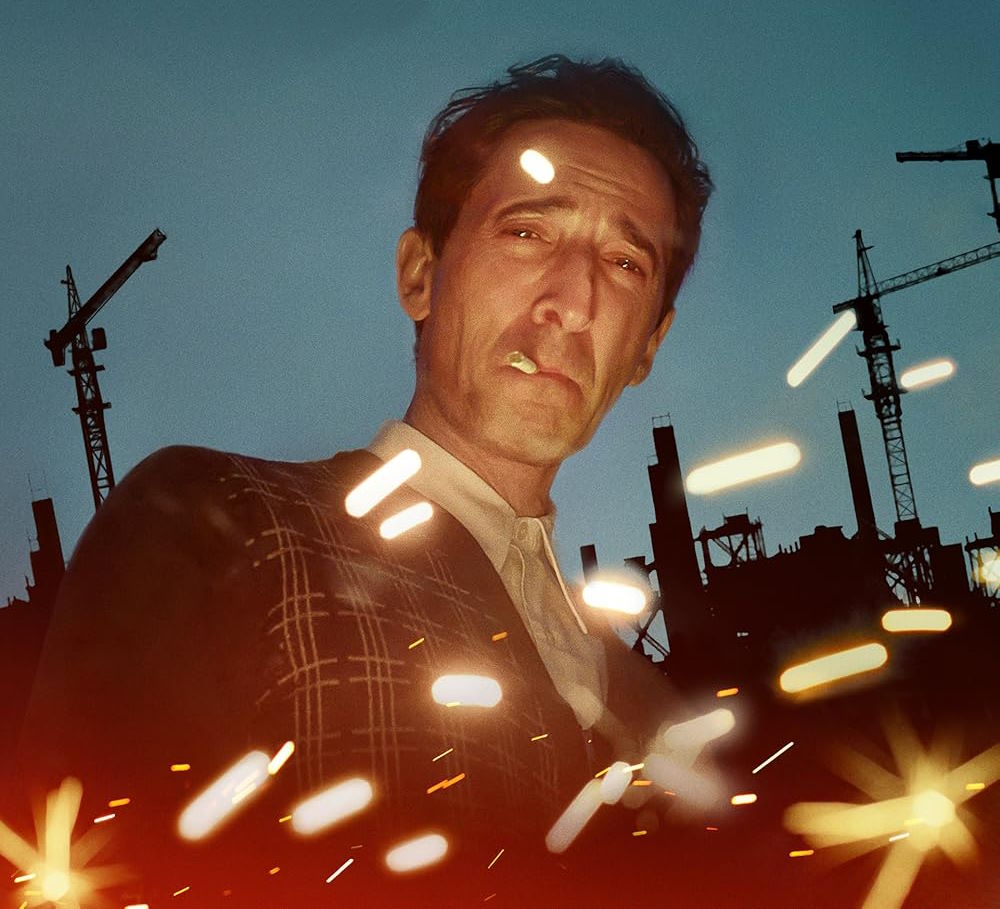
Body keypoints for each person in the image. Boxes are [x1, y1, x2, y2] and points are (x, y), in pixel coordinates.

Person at [17, 55, 712, 906]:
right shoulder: (218, 525)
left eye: (626, 263)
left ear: (648, 345)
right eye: (528, 232)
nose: (573, 300)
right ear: (420, 274)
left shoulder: (658, 712)